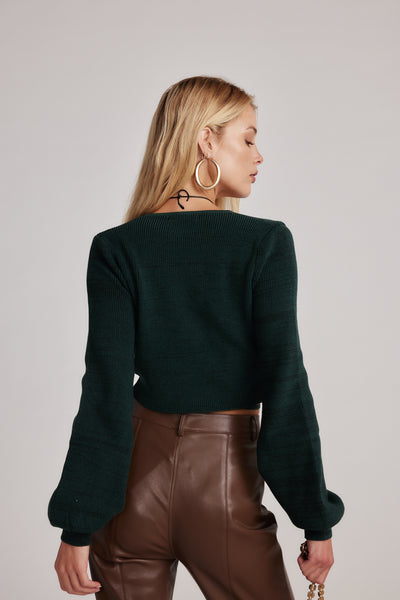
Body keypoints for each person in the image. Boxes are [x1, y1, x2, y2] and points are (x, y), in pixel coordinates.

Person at [48, 75, 345, 598]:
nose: (258, 155)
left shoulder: (116, 248)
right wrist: (314, 518)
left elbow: (105, 391)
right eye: (247, 139)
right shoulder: (264, 243)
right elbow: (286, 382)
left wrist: (78, 524)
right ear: (206, 140)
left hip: (131, 490)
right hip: (223, 485)